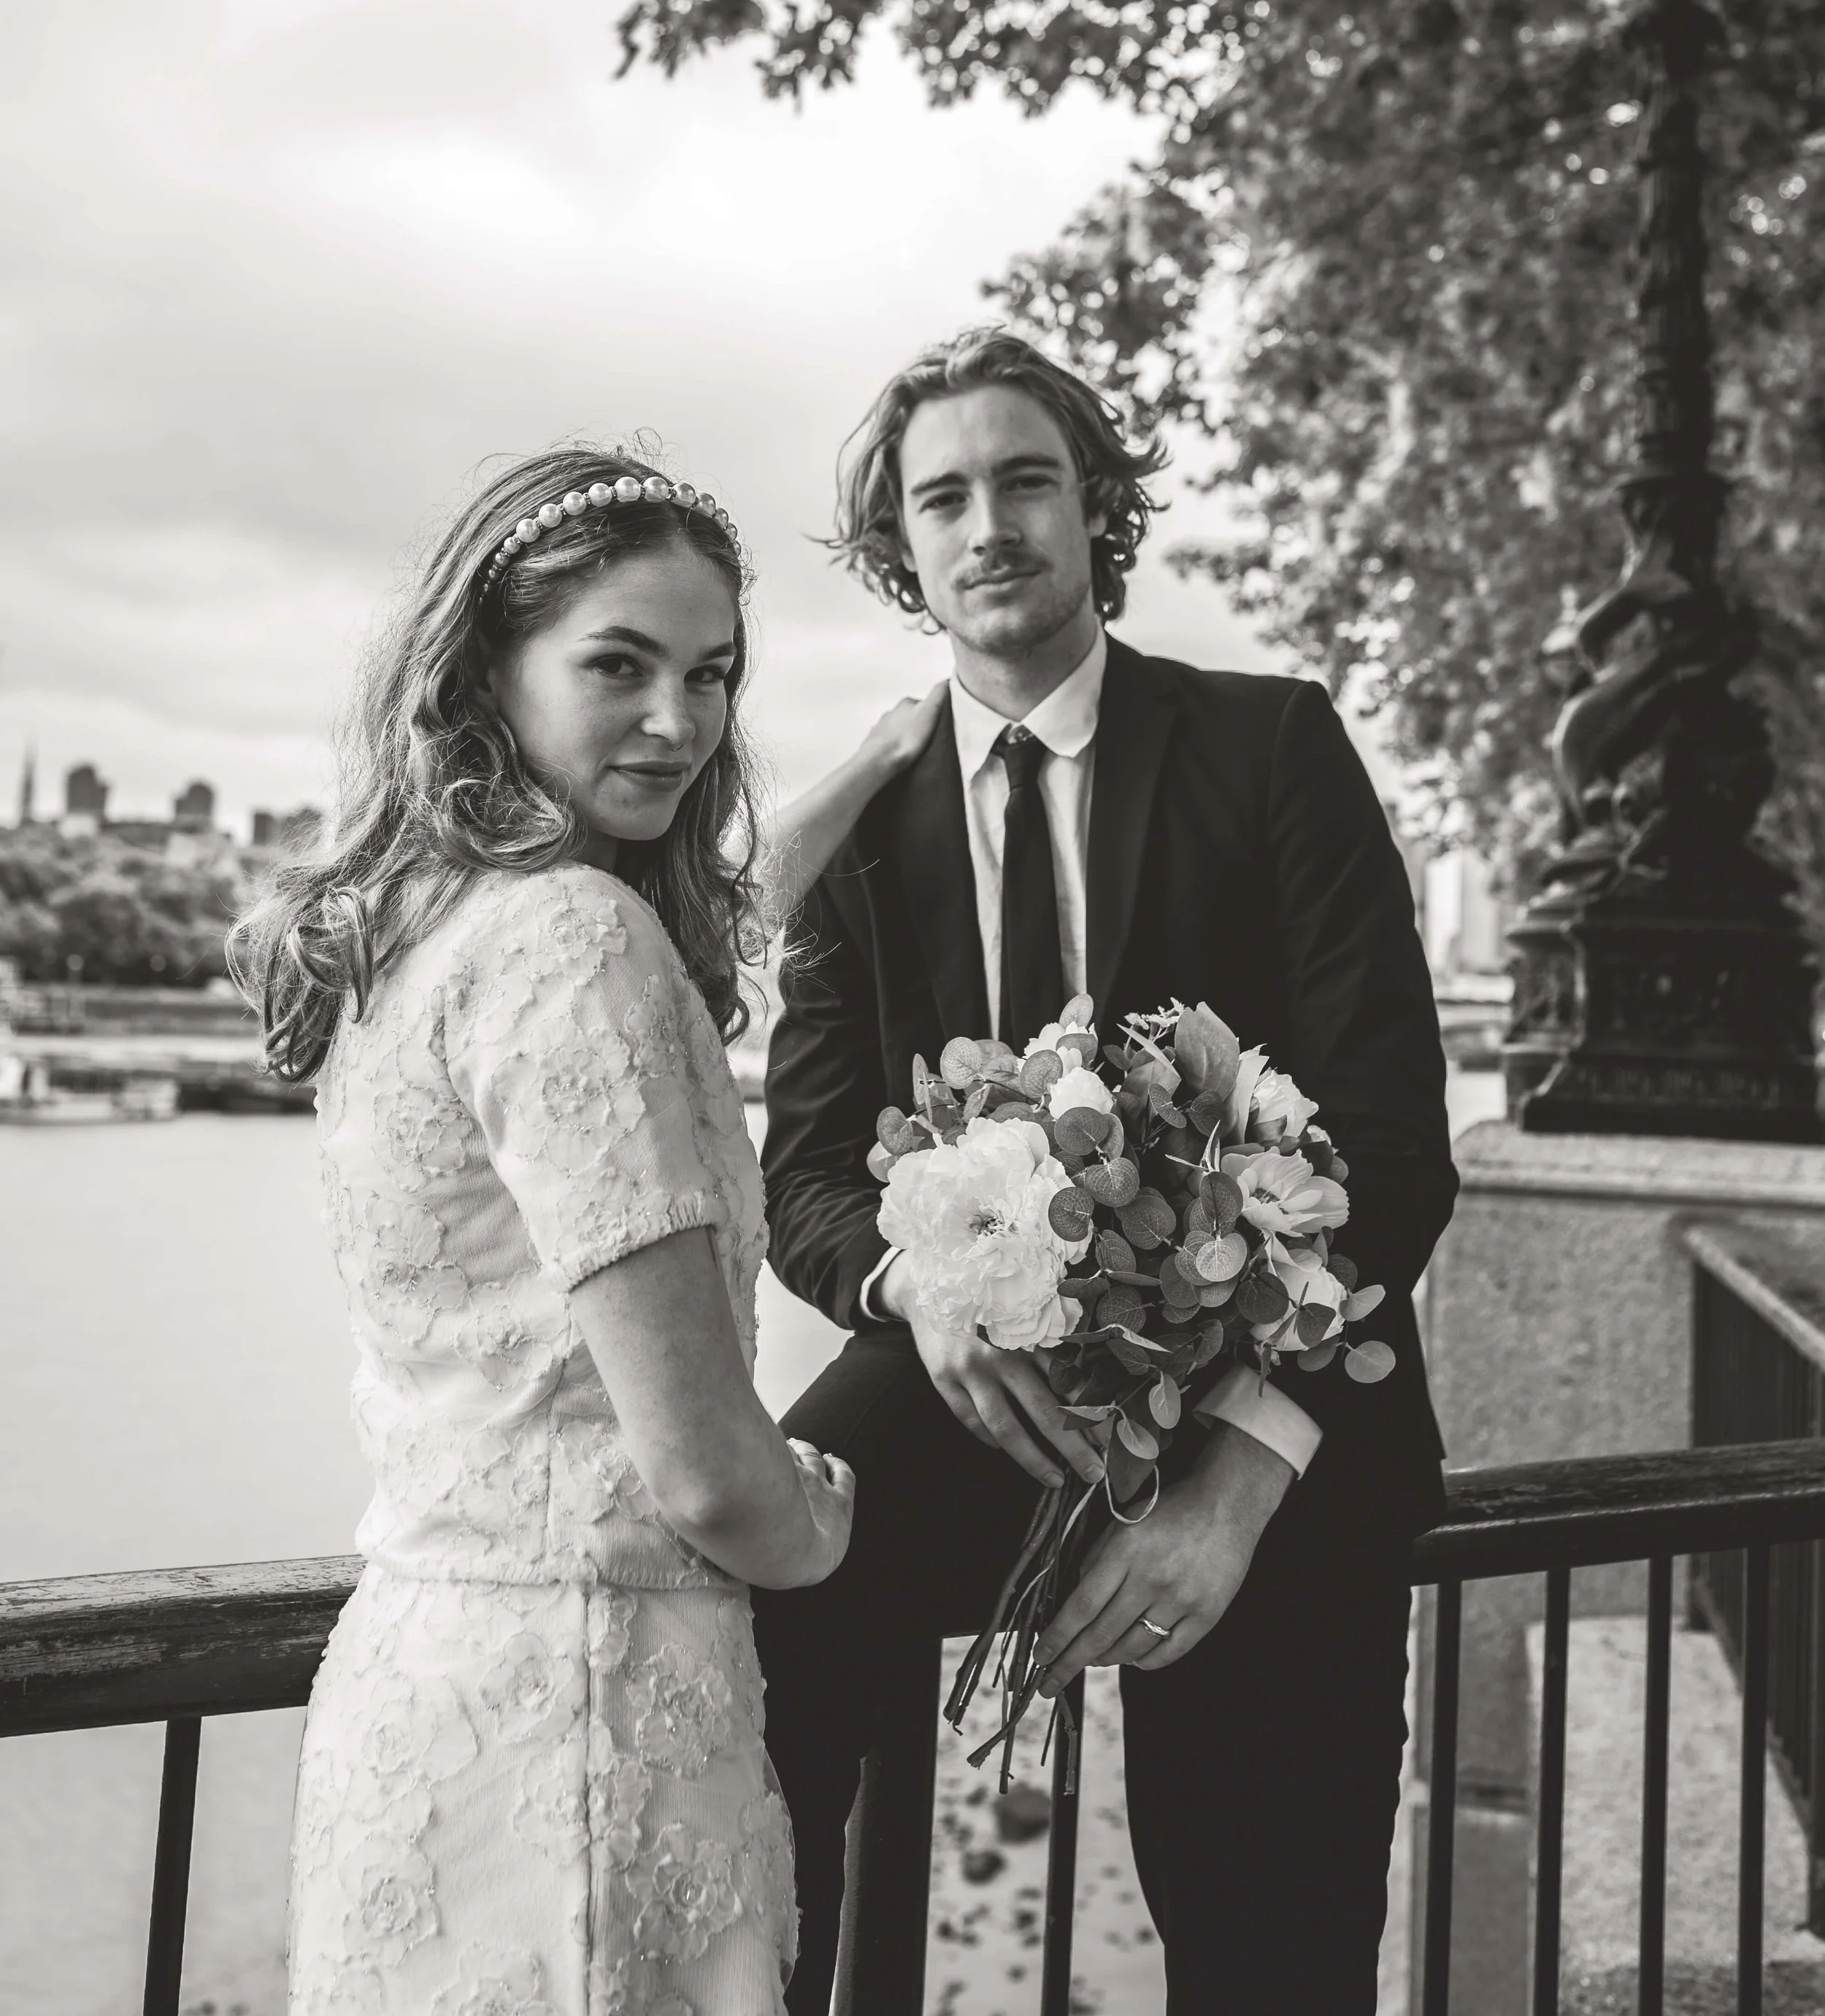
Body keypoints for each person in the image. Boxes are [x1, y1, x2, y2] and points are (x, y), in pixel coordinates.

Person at [754, 330, 1460, 2015]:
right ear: (901, 551)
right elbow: (802, 1174)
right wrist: (917, 1284)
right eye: (942, 497)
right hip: (968, 1395)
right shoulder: (855, 821)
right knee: (751, 1617)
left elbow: (1391, 1136)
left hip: (1265, 1401)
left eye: (1022, 480)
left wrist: (1239, 1468)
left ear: (1092, 510)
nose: (985, 521)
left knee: (1267, 1943)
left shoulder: (1273, 745)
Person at [233, 445, 923, 2016]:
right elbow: (699, 1465)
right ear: (488, 667)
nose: (678, 721)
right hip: (591, 1706)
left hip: (420, 1684)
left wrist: (883, 756)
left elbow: (727, 917)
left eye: (713, 674)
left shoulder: (414, 931)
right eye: (618, 664)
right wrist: (816, 1520)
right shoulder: (569, 939)